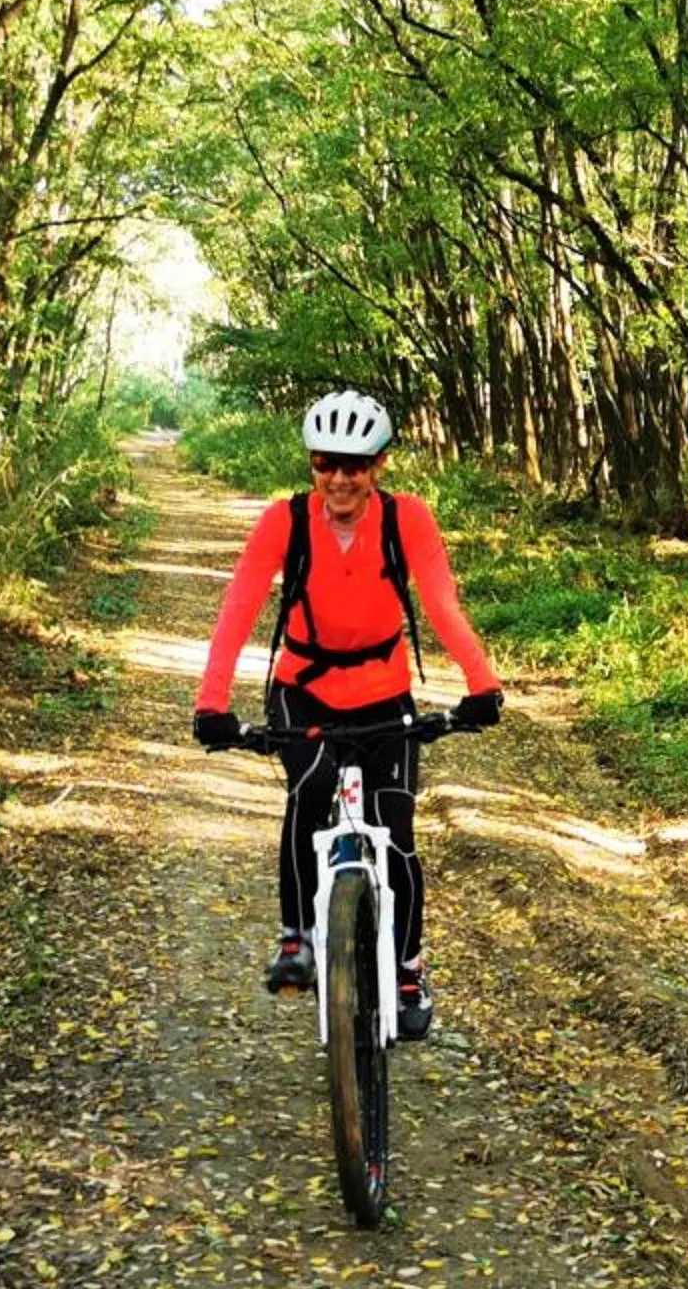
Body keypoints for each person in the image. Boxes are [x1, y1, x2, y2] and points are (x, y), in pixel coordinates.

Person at [190, 391, 503, 1040]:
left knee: (397, 826)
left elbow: (442, 603)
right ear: (311, 463)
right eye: (326, 462)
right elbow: (239, 607)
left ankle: (409, 969)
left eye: (355, 465)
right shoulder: (285, 522)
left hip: (384, 692)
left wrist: (482, 684)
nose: (339, 477)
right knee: (309, 790)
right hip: (302, 687)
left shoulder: (407, 519)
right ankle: (297, 936)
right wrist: (212, 703)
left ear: (380, 465)